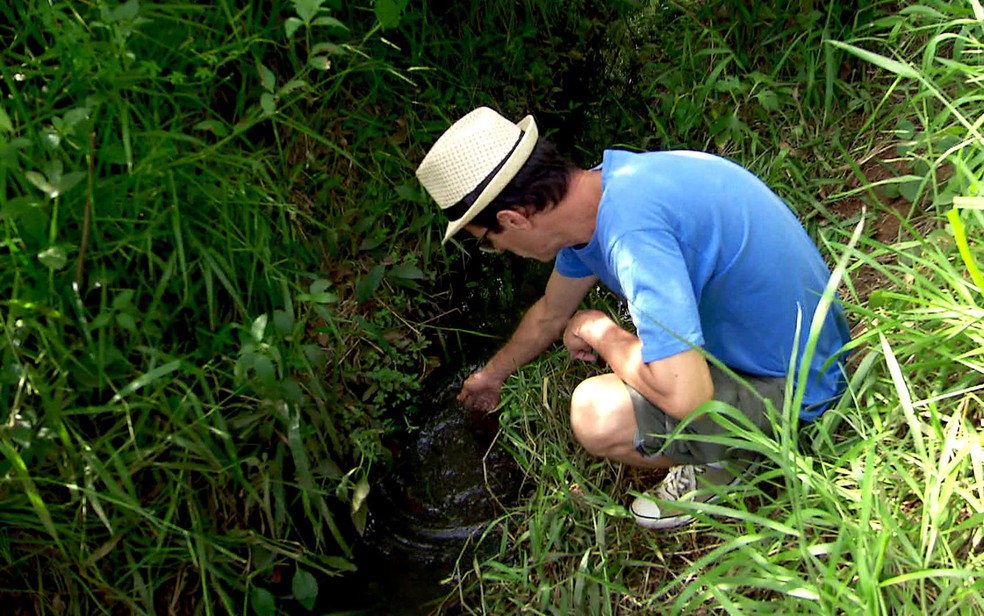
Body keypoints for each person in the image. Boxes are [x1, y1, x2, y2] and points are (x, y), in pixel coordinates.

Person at [415, 107, 851, 529]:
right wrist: (492, 375)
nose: (499, 251)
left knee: (596, 414)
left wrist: (601, 331)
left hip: (802, 391)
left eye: (488, 241)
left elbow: (686, 397)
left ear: (513, 219)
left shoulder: (632, 234)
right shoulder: (608, 191)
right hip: (807, 347)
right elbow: (550, 313)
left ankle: (734, 460)